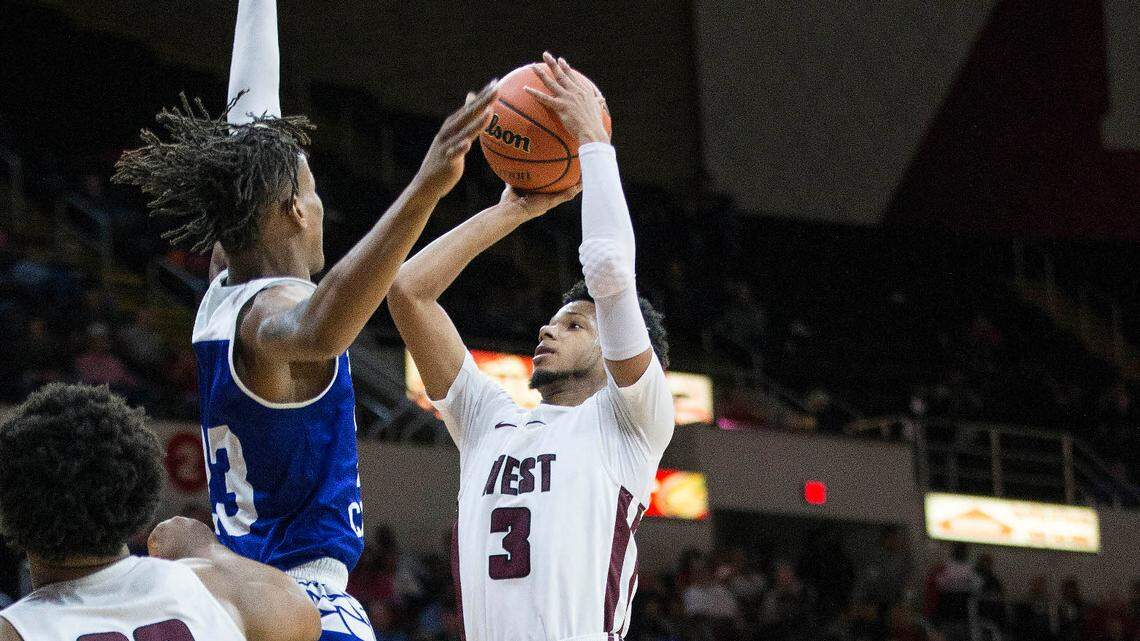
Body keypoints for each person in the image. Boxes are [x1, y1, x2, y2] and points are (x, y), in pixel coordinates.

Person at [112, 1, 497, 639]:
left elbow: (250, 116)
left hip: (242, 595)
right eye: (314, 191)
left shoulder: (222, 284)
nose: (322, 206)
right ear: (292, 209)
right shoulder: (272, 315)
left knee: (179, 534)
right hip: (303, 601)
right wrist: (426, 187)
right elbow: (321, 329)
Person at [389, 52, 674, 640]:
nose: (547, 330)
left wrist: (594, 143)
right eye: (552, 320)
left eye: (574, 326)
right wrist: (509, 213)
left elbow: (611, 272)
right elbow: (409, 292)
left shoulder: (631, 424)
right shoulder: (488, 422)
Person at [0, 382, 319, 641]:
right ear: (140, 487)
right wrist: (205, 549)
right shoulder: (219, 590)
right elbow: (307, 618)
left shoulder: (15, 631)